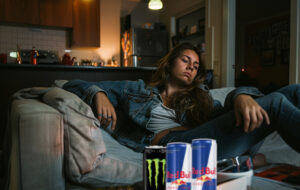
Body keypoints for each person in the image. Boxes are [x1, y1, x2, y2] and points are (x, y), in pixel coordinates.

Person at [63, 42, 300, 161]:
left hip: (204, 141)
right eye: (186, 60)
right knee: (277, 102)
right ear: (169, 63)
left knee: (294, 91)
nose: (191, 67)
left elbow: (225, 114)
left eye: (195, 66)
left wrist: (241, 95)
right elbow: (69, 84)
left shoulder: (202, 98)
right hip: (171, 146)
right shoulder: (136, 90)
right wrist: (98, 93)